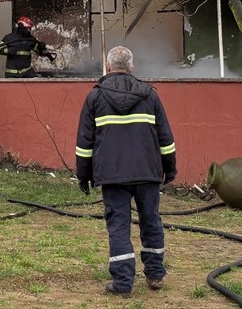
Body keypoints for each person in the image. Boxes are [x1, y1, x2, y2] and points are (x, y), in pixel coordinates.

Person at [75, 45, 177, 298]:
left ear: (108, 67)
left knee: (118, 225)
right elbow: (165, 137)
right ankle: (154, 275)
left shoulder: (95, 97)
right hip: (147, 172)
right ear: (132, 68)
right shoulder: (150, 95)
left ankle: (122, 283)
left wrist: (83, 175)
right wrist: (170, 169)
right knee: (151, 220)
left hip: (112, 174)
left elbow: (84, 142)